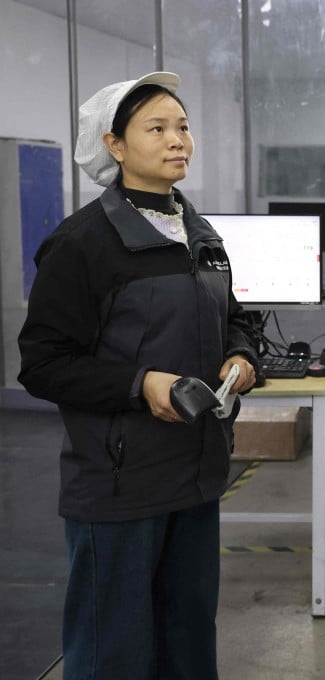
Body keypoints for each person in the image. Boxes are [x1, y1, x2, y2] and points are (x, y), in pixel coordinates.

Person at [17, 72, 258, 679]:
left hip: (197, 475)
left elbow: (234, 317)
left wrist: (240, 356)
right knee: (113, 652)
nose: (178, 140)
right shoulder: (82, 244)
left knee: (188, 641)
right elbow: (43, 363)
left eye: (183, 126)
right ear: (115, 146)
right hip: (119, 485)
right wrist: (141, 384)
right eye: (157, 128)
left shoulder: (199, 233)